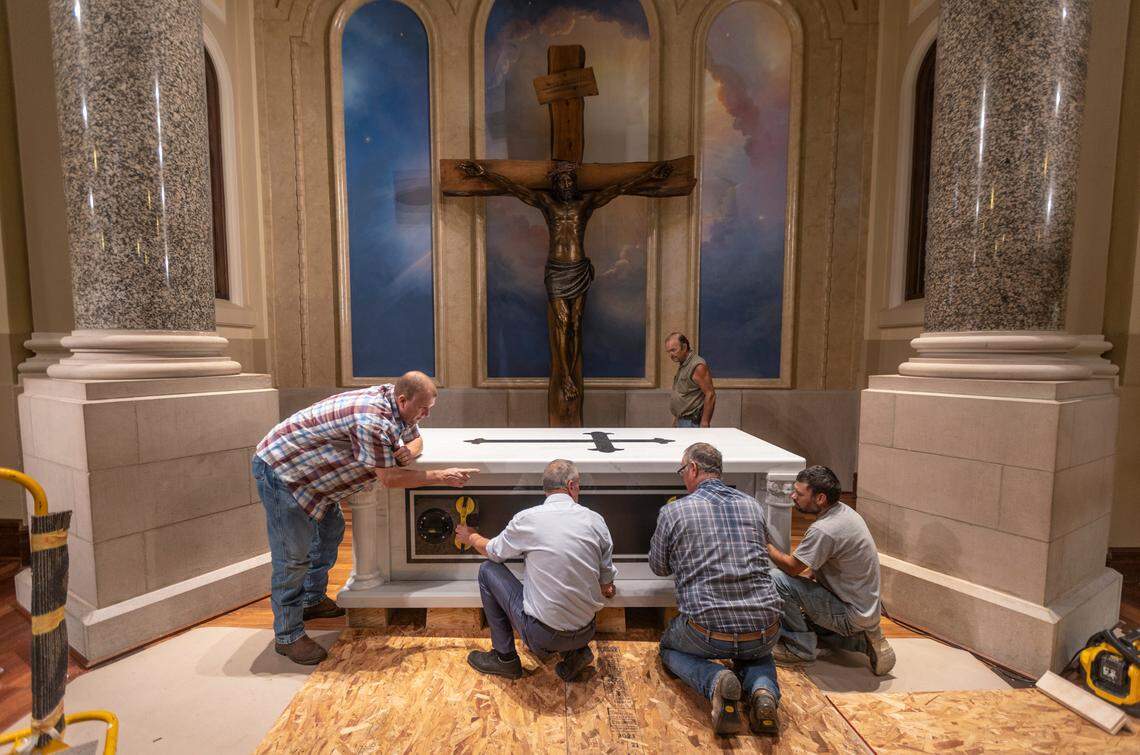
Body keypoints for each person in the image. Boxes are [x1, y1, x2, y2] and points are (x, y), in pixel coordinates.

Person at [253, 371, 478, 665]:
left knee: (331, 532)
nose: (425, 415)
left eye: (429, 409)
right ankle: (288, 636)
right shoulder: (371, 419)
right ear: (403, 399)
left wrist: (406, 450)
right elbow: (389, 478)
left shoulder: (398, 406)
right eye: (423, 408)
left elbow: (416, 440)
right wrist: (439, 476)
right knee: (293, 557)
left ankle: (311, 599)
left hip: (317, 478)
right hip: (285, 473)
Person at [457, 159, 672, 426]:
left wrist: (650, 175)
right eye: (562, 181)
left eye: (571, 180)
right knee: (561, 321)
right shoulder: (549, 205)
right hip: (557, 270)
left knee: (577, 324)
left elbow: (618, 188)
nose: (567, 185)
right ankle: (566, 378)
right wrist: (485, 174)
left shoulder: (585, 205)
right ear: (556, 185)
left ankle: (570, 373)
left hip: (579, 268)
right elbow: (516, 189)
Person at [650, 443, 782, 737]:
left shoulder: (675, 512)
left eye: (683, 471)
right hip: (766, 627)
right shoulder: (753, 506)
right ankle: (763, 693)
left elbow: (658, 567)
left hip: (706, 630)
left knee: (668, 647)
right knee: (755, 653)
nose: (683, 477)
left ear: (693, 469)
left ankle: (715, 679)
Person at [455, 459, 617, 682]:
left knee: (487, 570)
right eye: (578, 485)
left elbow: (494, 552)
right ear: (571, 486)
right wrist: (607, 589)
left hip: (544, 636)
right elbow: (606, 585)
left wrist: (471, 536)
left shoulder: (528, 519)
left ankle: (505, 659)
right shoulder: (596, 520)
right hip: (586, 630)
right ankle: (575, 652)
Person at [766, 465, 896, 676]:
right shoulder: (846, 513)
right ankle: (863, 640)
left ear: (820, 498)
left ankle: (800, 649)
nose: (793, 496)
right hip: (865, 608)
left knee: (775, 580)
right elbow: (820, 566)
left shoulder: (824, 530)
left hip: (850, 613)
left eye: (799, 493)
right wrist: (803, 590)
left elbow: (791, 567)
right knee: (800, 612)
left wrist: (766, 545)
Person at [665, 332, 715, 427]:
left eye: (673, 350)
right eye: (668, 352)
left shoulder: (697, 366)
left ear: (684, 347)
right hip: (682, 420)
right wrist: (676, 419)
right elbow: (683, 393)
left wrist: (705, 422)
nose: (671, 355)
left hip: (692, 422)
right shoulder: (684, 364)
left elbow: (710, 394)